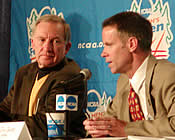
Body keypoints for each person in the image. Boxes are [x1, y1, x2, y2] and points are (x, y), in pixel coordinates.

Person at [83, 11, 175, 137]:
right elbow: (110, 123)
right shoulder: (124, 81)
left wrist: (128, 129)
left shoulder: (168, 75)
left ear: (132, 44)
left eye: (109, 45)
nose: (103, 53)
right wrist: (96, 128)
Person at [0, 14, 87, 139]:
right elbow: (5, 110)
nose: (47, 48)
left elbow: (47, 125)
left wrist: (8, 127)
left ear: (67, 47)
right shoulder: (24, 73)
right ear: (32, 43)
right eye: (42, 40)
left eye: (55, 41)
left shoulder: (70, 77)